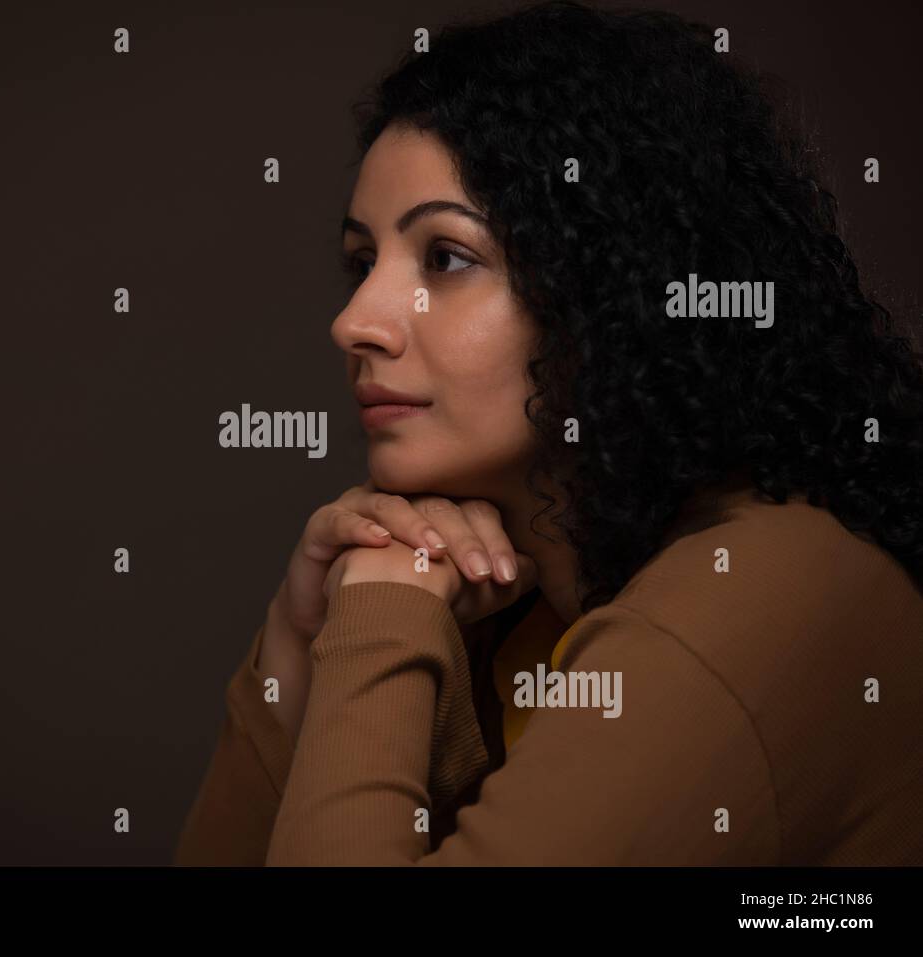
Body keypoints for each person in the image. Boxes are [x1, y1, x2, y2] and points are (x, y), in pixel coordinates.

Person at [175, 0, 923, 866]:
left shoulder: (762, 588)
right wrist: (298, 642)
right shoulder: (509, 610)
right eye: (361, 261)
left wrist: (380, 611)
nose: (355, 321)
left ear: (612, 288)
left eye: (446, 258)